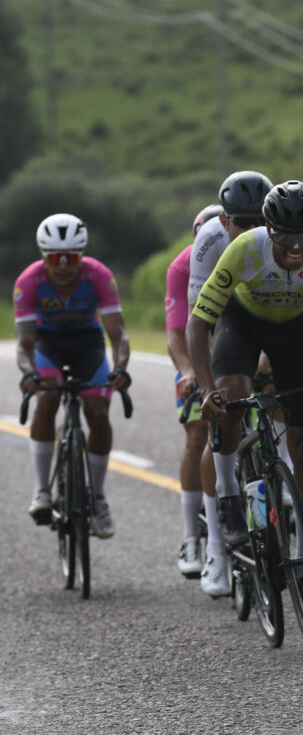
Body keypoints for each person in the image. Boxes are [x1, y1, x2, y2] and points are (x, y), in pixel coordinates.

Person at [186, 180, 303, 617]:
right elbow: (199, 325)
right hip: (241, 324)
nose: (296, 249)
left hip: (294, 329)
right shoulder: (244, 248)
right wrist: (207, 391)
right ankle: (226, 501)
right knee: (231, 397)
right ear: (269, 232)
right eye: (285, 240)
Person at [14, 213, 131, 538]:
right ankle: (42, 491)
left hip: (87, 343)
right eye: (55, 258)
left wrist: (120, 366)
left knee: (97, 411)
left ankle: (97, 497)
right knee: (48, 396)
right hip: (47, 342)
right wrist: (29, 373)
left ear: (81, 255)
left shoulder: (98, 276)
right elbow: (24, 344)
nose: (63, 265)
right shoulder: (28, 281)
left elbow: (118, 334)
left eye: (71, 258)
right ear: (43, 255)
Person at [187, 170, 274, 596]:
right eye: (243, 221)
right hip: (225, 320)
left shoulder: (288, 239)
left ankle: (283, 477)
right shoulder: (208, 243)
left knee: (285, 394)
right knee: (226, 409)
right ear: (225, 222)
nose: (253, 230)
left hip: (274, 322)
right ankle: (218, 542)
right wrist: (207, 387)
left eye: (261, 220)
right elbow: (200, 323)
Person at [165, 203, 223, 578]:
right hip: (196, 352)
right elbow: (176, 331)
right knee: (197, 434)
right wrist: (187, 370)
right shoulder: (183, 266)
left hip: (236, 349)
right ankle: (190, 537)